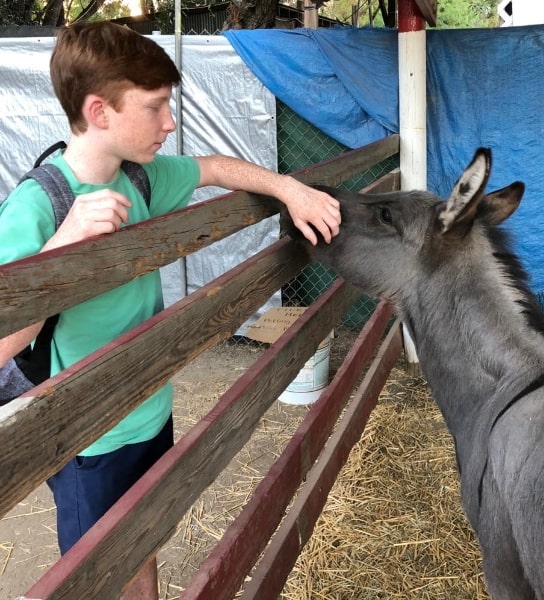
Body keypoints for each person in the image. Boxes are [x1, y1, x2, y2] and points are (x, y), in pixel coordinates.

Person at [0, 20, 340, 599]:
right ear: (100, 111)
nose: (169, 122)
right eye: (155, 107)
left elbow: (212, 167)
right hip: (88, 438)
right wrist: (60, 252)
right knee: (95, 574)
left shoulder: (144, 178)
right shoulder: (37, 205)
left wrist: (290, 188)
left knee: (145, 539)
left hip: (150, 409)